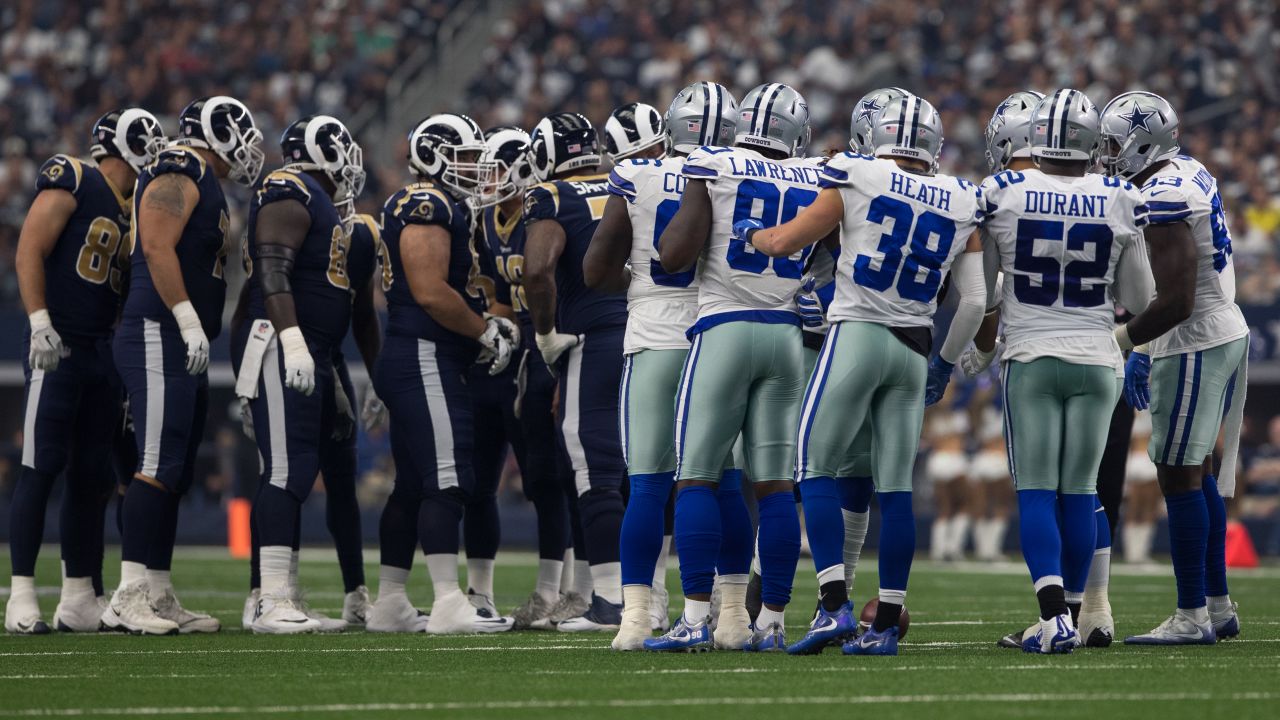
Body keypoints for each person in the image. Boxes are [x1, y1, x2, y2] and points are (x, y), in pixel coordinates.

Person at [746, 94, 987, 655]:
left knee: (812, 467)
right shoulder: (961, 195)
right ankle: (885, 624)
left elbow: (785, 241)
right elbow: (975, 302)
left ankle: (833, 606)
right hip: (914, 348)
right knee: (897, 491)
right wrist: (946, 363)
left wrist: (756, 236)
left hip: (856, 333)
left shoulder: (855, 171)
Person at [979, 89, 1154, 653]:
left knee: (1035, 492)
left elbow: (982, 293)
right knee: (1080, 491)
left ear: (1033, 139)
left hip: (1031, 354)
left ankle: (1052, 618)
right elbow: (1139, 295)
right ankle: (1075, 616)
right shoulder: (1121, 195)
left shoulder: (1004, 191)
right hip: (1098, 357)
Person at [649, 82, 821, 652]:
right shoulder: (818, 176)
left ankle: (696, 617)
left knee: (696, 474)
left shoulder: (713, 162)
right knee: (774, 486)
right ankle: (769, 623)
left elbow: (672, 255)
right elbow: (830, 255)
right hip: (785, 337)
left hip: (724, 327)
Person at [585, 87, 754, 650]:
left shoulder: (637, 175)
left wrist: (636, 281)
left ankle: (635, 619)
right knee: (721, 482)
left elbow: (594, 269)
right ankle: (732, 617)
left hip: (654, 336)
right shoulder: (739, 174)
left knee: (648, 486)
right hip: (712, 337)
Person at [105, 96, 263, 635]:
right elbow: (155, 243)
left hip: (175, 336)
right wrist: (185, 317)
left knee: (174, 470)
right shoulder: (183, 166)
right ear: (215, 131)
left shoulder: (206, 180)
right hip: (158, 329)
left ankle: (159, 591)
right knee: (155, 463)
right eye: (239, 132)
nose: (246, 145)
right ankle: (128, 594)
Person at [7, 108, 165, 634]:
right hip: (59, 346)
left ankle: (79, 594)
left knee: (91, 475)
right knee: (40, 465)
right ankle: (22, 592)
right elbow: (29, 246)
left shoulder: (136, 207)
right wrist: (38, 322)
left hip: (102, 350)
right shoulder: (74, 176)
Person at [1101, 91, 1249, 645]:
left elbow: (1177, 300)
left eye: (1116, 143)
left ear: (1142, 142)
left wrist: (1125, 341)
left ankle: (1192, 615)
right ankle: (1217, 605)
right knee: (1196, 469)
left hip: (1194, 337)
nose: (1109, 154)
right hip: (1216, 329)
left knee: (1177, 471)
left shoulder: (1163, 195)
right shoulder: (1185, 168)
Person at [369, 113, 518, 634]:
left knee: (412, 485)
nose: (475, 168)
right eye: (466, 157)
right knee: (448, 479)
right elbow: (431, 291)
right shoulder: (426, 204)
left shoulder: (445, 205)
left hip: (419, 354)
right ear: (433, 156)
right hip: (424, 353)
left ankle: (389, 602)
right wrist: (483, 331)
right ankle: (448, 600)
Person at [232, 115, 366, 633]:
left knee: (295, 467)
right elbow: (271, 264)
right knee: (287, 469)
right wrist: (291, 338)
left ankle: (272, 595)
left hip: (307, 344)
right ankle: (271, 600)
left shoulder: (316, 197)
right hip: (281, 341)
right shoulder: (291, 188)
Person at [523, 112, 630, 632]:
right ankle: (646, 595)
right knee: (648, 470)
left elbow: (538, 269)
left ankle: (610, 600)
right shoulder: (628, 182)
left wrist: (545, 334)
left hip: (596, 339)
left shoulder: (553, 197)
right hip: (651, 335)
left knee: (597, 470)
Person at [471, 126, 577, 629]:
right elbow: (495, 291)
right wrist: (498, 326)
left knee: (555, 474)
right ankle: (544, 591)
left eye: (495, 169)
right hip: (513, 351)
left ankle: (563, 589)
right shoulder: (486, 220)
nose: (487, 180)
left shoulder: (543, 210)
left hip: (550, 347)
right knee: (530, 475)